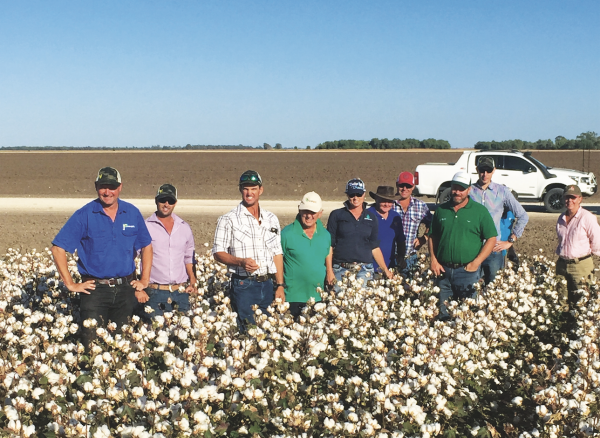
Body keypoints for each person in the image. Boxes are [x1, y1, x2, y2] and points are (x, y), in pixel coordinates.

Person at [51, 167, 152, 348]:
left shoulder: (132, 213)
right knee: (92, 345)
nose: (107, 192)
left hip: (125, 290)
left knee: (125, 345)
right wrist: (70, 284)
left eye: (112, 187)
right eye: (103, 187)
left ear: (120, 187)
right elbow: (58, 248)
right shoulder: (84, 214)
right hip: (94, 291)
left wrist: (144, 279)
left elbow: (146, 245)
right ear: (96, 187)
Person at [212, 170, 284, 331]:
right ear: (240, 190)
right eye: (245, 188)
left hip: (268, 284)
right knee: (248, 331)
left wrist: (279, 285)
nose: (249, 192)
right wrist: (240, 262)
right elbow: (218, 252)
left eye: (253, 188)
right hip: (244, 285)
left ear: (261, 190)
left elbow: (277, 253)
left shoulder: (271, 219)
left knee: (269, 330)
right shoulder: (228, 219)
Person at [428, 172, 497, 320]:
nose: (457, 192)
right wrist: (433, 259)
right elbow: (433, 236)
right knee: (443, 315)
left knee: (467, 316)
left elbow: (491, 238)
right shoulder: (441, 210)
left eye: (462, 189)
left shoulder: (479, 212)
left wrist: (476, 262)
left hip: (467, 272)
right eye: (455, 188)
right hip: (443, 271)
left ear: (469, 190)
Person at [139, 183, 197, 318]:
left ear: (175, 203)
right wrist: (138, 287)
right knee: (155, 332)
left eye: (170, 201)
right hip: (154, 292)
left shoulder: (184, 227)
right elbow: (132, 255)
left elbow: (189, 257)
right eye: (162, 200)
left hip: (180, 292)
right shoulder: (145, 227)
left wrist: (193, 280)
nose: (166, 204)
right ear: (156, 201)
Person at [469, 157, 529, 284]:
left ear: (494, 170)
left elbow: (523, 215)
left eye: (488, 170)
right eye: (482, 170)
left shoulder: (502, 192)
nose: (485, 174)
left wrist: (510, 241)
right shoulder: (469, 192)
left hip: (494, 251)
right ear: (477, 170)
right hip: (472, 250)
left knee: (494, 290)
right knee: (471, 290)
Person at [327, 178, 393, 289]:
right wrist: (329, 271)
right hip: (341, 269)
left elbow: (374, 247)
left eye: (359, 194)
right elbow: (329, 245)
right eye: (352, 194)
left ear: (364, 194)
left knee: (362, 304)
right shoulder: (336, 215)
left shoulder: (371, 218)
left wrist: (386, 271)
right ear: (347, 195)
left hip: (364, 270)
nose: (355, 197)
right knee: (339, 304)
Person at [281, 192, 335, 318]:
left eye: (313, 212)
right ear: (299, 210)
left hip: (318, 296)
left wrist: (329, 270)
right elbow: (277, 259)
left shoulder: (325, 235)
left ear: (320, 213)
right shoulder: (286, 234)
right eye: (306, 211)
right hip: (292, 296)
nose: (309, 216)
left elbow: (327, 251)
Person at [555, 184, 600, 312]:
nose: (570, 201)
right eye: (567, 197)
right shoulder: (561, 218)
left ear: (580, 199)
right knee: (562, 299)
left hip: (581, 265)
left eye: (573, 198)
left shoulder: (587, 218)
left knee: (582, 301)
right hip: (562, 264)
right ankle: (563, 328)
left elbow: (597, 240)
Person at [393, 172, 432, 275]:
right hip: (391, 257)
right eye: (402, 185)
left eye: (408, 186)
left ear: (413, 187)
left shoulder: (420, 206)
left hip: (410, 257)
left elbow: (433, 224)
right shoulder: (389, 205)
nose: (404, 189)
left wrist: (424, 238)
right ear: (397, 185)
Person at [366, 186, 404, 275]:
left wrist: (401, 256)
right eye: (383, 201)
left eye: (390, 201)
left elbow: (401, 240)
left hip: (391, 268)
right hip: (370, 269)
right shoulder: (367, 215)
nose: (387, 204)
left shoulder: (395, 217)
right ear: (376, 199)